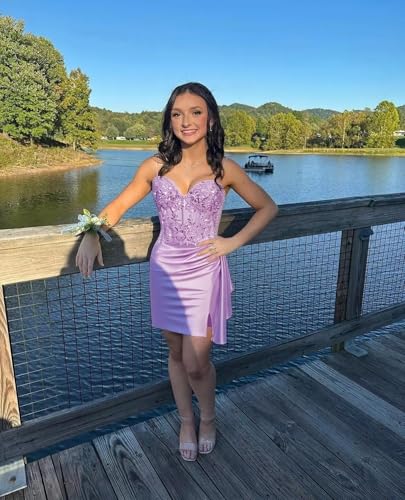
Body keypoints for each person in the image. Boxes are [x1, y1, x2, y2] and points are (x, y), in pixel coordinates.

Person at [76, 82, 278, 461]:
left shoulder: (225, 169)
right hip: (165, 268)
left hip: (204, 269)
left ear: (211, 118)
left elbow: (268, 207)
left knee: (197, 362)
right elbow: (117, 206)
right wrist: (91, 233)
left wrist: (231, 242)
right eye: (177, 113)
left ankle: (209, 418)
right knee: (175, 352)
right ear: (169, 121)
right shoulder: (155, 166)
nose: (186, 121)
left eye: (196, 112)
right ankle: (186, 420)